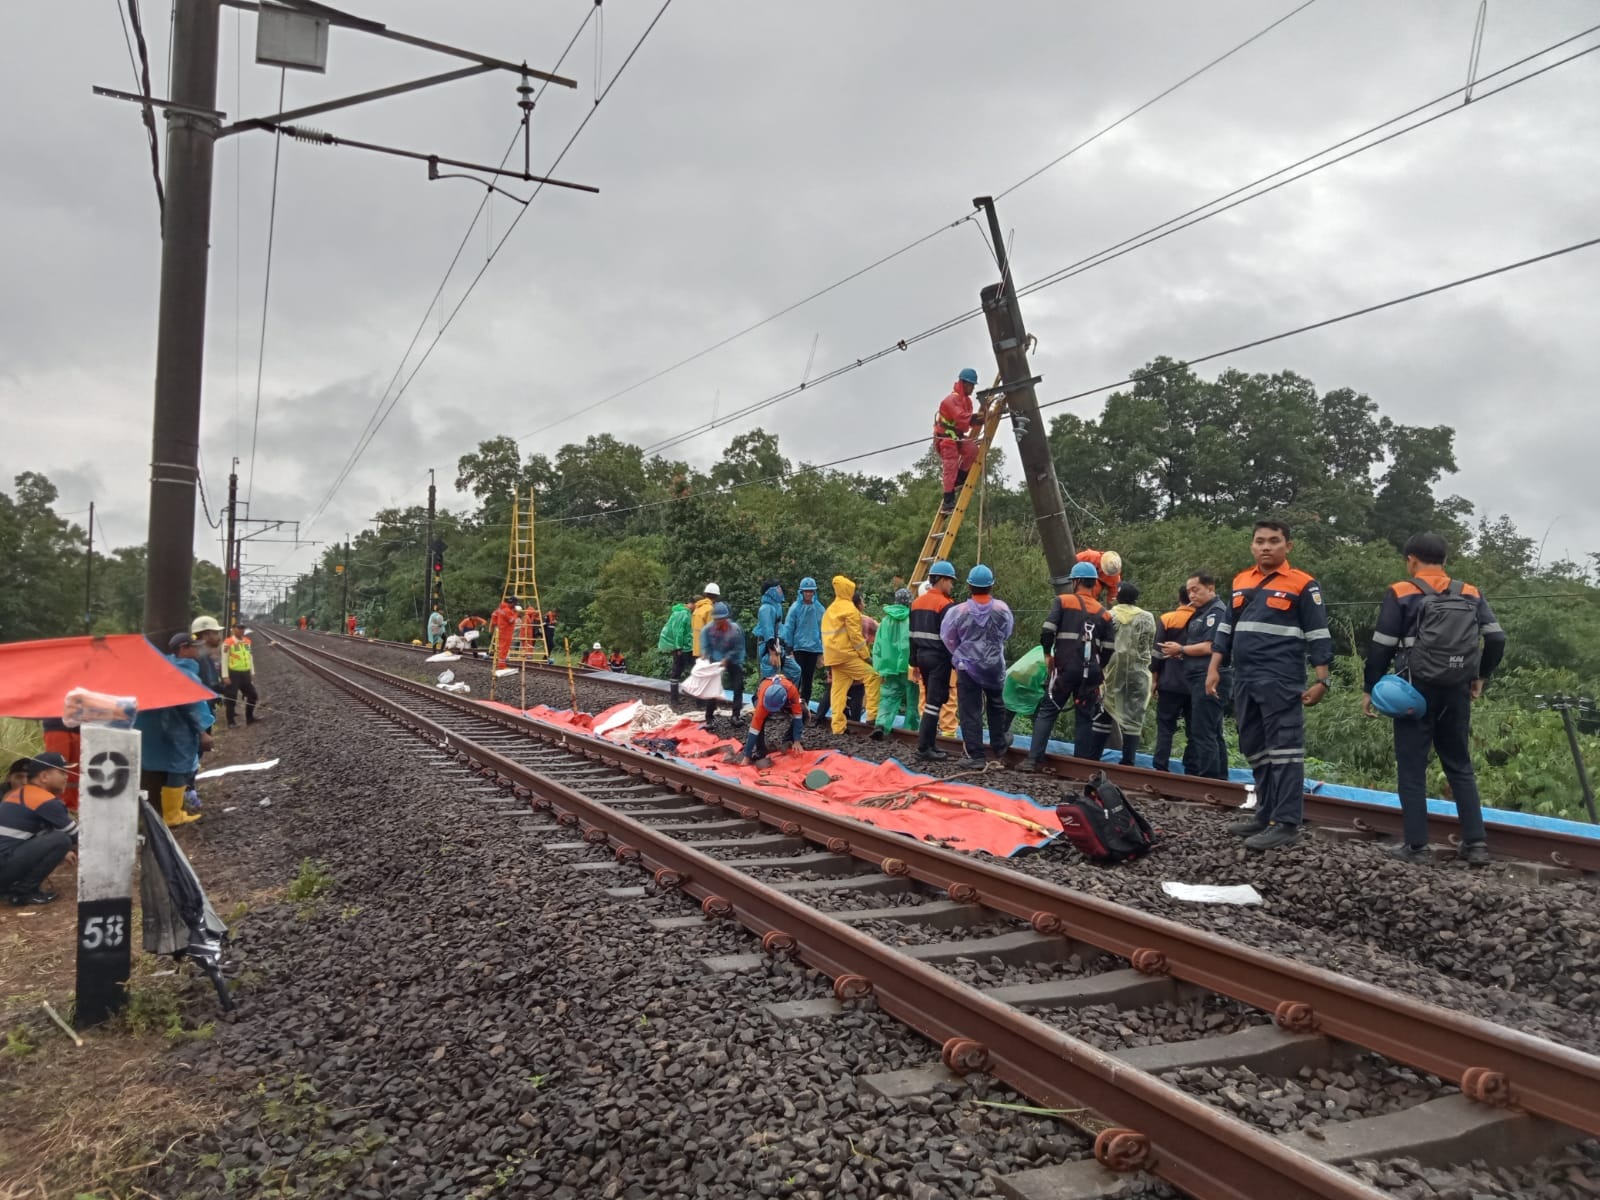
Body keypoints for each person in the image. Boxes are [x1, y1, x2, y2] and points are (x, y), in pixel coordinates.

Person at [1363, 531, 1505, 866]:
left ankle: (1416, 847)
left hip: (1414, 690)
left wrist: (1370, 688)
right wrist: (1480, 675)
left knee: (1412, 767)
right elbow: (1496, 638)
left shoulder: (1401, 591)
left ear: (1411, 559)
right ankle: (1476, 845)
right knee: (1459, 764)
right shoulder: (1470, 592)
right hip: (1457, 688)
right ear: (1445, 560)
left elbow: (1381, 645)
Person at [1208, 519, 1332, 852]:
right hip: (1245, 679)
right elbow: (1225, 629)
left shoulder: (1303, 585)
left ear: (1287, 546)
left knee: (1286, 752)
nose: (1266, 546)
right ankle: (1264, 814)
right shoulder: (1240, 581)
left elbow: (1319, 634)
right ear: (1252, 545)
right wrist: (1214, 668)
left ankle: (1287, 823)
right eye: (1260, 541)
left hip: (1281, 679)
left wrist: (1322, 679)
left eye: (1274, 541)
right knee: (1255, 748)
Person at [1019, 561, 1115, 771]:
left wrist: (1047, 656)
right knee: (1084, 717)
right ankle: (1080, 767)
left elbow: (1047, 630)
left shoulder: (1063, 601)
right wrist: (1098, 669)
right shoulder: (1105, 614)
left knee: (1048, 710)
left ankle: (1033, 760)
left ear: (1077, 581)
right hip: (1090, 675)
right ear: (1093, 584)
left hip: (1064, 670)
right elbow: (1109, 648)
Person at [137, 634, 215, 827]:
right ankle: (172, 815)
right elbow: (189, 708)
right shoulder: (183, 673)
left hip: (151, 729)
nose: (197, 651)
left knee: (157, 767)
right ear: (183, 648)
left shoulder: (161, 668)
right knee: (178, 767)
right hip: (175, 729)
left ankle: (157, 813)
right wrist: (202, 732)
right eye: (194, 647)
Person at [942, 564, 1015, 763]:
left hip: (967, 666)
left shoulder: (958, 611)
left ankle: (976, 756)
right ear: (991, 586)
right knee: (996, 704)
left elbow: (948, 637)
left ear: (969, 586)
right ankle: (999, 745)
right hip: (993, 665)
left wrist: (962, 653)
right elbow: (1006, 633)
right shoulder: (1002, 609)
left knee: (969, 709)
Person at [1158, 571, 1228, 779]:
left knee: (1203, 731)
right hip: (1197, 675)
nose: (1192, 595)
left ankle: (1208, 780)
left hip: (1210, 676)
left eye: (1196, 590)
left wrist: (1181, 650)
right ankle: (1220, 780)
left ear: (1210, 587)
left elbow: (1210, 646)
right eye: (1189, 591)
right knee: (1213, 731)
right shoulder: (1199, 613)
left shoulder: (1216, 613)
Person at [1, 752, 79, 906]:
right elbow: (79, 836)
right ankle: (23, 892)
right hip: (3, 866)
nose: (67, 777)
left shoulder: (18, 793)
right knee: (61, 839)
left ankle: (9, 887)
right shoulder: (45, 800)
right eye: (62, 772)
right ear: (44, 776)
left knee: (59, 839)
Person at [1104, 582, 1157, 765]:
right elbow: (1149, 645)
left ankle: (1092, 756)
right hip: (1139, 673)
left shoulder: (1109, 615)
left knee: (1104, 709)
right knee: (1134, 715)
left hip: (1111, 673)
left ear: (1118, 596)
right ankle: (1129, 760)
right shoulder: (1147, 618)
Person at [910, 562, 959, 761]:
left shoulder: (916, 603)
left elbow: (911, 635)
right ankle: (924, 748)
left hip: (922, 656)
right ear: (942, 580)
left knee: (931, 700)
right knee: (934, 703)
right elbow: (950, 638)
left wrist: (913, 663)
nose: (952, 586)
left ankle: (930, 745)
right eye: (951, 581)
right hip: (939, 658)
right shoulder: (945, 605)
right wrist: (956, 663)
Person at [731, 641, 807, 766]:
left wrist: (797, 740)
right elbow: (754, 730)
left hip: (783, 699)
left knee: (803, 712)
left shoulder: (791, 690)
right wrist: (747, 755)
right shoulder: (762, 702)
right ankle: (761, 749)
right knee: (759, 721)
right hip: (761, 697)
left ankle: (789, 740)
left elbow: (798, 716)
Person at [821, 576, 880, 735]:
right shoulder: (850, 610)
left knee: (838, 691)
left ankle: (838, 727)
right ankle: (872, 715)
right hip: (846, 655)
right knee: (873, 676)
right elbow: (856, 637)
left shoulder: (830, 610)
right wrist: (866, 656)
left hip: (833, 657)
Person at [1149, 586, 1198, 774]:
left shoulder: (1168, 619)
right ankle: (1192, 769)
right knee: (1193, 730)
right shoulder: (1201, 619)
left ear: (1179, 597)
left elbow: (1157, 653)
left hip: (1169, 682)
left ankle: (1160, 766)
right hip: (1194, 683)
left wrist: (1155, 679)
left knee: (1165, 726)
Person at [933, 368, 986, 514]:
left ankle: (960, 479)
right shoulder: (951, 400)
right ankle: (948, 501)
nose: (973, 388)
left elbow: (965, 424)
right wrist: (977, 417)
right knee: (950, 465)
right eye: (971, 385)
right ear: (963, 383)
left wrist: (981, 419)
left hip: (957, 437)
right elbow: (961, 417)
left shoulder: (967, 402)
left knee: (972, 450)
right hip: (945, 439)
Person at [870, 588, 914, 741]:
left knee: (888, 698)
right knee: (913, 700)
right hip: (909, 666)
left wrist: (878, 667)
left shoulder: (885, 621)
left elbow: (877, 646)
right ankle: (912, 731)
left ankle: (881, 724)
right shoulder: (912, 619)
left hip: (888, 666)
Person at [780, 577, 825, 721]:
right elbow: (789, 628)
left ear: (814, 592)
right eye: (806, 591)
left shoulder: (819, 609)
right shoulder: (795, 608)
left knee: (808, 679)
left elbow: (823, 630)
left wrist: (822, 651)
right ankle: (792, 704)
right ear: (802, 592)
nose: (809, 594)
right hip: (798, 648)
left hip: (813, 648)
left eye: (811, 591)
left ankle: (804, 705)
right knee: (795, 678)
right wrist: (789, 648)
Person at [700, 602, 746, 727]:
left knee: (738, 686)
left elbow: (739, 647)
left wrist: (727, 659)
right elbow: (705, 647)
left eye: (722, 619)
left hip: (734, 659)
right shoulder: (707, 630)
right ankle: (709, 718)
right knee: (713, 686)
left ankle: (735, 715)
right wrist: (705, 656)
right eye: (717, 619)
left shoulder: (735, 629)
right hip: (715, 658)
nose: (720, 622)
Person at [221, 623, 260, 727]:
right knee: (231, 697)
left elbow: (249, 657)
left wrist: (252, 672)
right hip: (233, 673)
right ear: (233, 629)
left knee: (253, 695)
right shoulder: (228, 643)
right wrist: (225, 676)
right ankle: (231, 722)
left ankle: (250, 718)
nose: (241, 630)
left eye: (243, 628)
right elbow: (224, 660)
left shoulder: (247, 641)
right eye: (239, 628)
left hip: (245, 673)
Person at [657, 601, 695, 703]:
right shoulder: (684, 614)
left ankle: (675, 698)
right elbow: (679, 632)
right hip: (684, 648)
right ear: (691, 604)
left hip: (682, 647)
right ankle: (677, 699)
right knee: (686, 670)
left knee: (677, 671)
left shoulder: (679, 611)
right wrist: (679, 648)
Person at [752, 580, 787, 679]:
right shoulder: (766, 609)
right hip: (769, 649)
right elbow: (768, 632)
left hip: (779, 646)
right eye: (778, 588)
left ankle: (789, 694)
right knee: (769, 680)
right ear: (771, 591)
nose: (781, 591)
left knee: (795, 671)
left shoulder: (776, 607)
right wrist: (772, 652)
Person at [691, 583, 721, 659]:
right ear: (717, 596)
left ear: (705, 594)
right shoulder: (710, 609)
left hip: (696, 648)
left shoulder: (698, 608)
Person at [489, 597, 520, 669]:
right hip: (506, 631)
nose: (515, 606)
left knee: (501, 647)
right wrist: (516, 613)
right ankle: (501, 665)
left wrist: (496, 623)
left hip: (501, 630)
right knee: (504, 648)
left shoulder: (500, 609)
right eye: (515, 604)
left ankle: (500, 664)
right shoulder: (507, 611)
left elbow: (493, 615)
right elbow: (511, 620)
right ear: (512, 603)